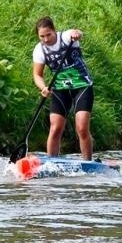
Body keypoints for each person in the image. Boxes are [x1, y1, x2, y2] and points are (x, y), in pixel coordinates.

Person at [32, 17, 93, 160]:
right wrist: (43, 87)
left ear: (54, 31)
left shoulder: (66, 37)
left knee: (82, 128)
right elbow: (37, 75)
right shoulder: (39, 50)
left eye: (48, 34)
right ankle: (52, 162)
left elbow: (75, 32)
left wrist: (77, 34)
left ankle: (88, 162)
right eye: (42, 36)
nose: (46, 39)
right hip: (60, 89)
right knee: (55, 128)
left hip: (82, 86)